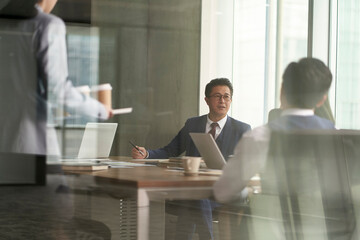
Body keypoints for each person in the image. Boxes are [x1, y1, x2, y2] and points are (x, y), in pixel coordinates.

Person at [132, 78, 251, 240]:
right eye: (217, 96)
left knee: (194, 199)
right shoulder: (193, 124)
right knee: (194, 198)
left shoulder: (242, 129)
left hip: (225, 190)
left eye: (226, 96)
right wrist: (146, 154)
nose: (222, 101)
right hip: (193, 188)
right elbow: (170, 150)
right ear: (206, 100)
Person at [213, 57, 335, 204]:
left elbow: (223, 192)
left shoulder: (260, 136)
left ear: (282, 90)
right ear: (322, 99)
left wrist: (250, 193)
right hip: (327, 226)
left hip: (274, 225)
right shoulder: (336, 136)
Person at [0, 0, 112, 156]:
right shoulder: (47, 24)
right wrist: (101, 109)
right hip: (29, 142)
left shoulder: (5, 22)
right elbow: (59, 91)